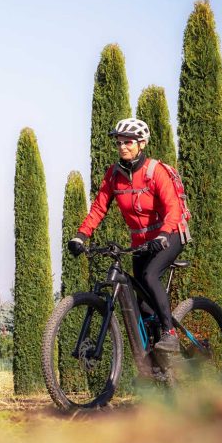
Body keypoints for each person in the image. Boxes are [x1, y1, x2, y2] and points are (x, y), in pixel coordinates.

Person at [67, 118, 187, 353]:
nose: (123, 146)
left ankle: (169, 333)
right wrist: (81, 235)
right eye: (119, 142)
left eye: (128, 142)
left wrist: (163, 235)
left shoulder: (155, 171)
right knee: (141, 303)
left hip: (170, 234)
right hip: (141, 243)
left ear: (141, 144)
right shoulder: (113, 175)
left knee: (150, 276)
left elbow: (173, 208)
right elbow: (99, 208)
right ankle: (157, 364)